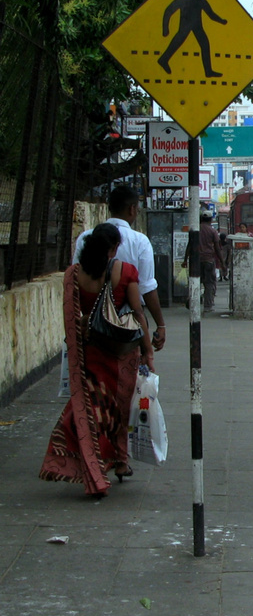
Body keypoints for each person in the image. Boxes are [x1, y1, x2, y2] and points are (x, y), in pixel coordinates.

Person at [40, 224, 155, 498]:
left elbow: (72, 319)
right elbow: (138, 314)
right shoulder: (125, 272)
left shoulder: (74, 275)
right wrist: (148, 352)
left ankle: (95, 463)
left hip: (91, 352)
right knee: (120, 409)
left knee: (92, 409)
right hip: (121, 354)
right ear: (114, 248)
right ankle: (121, 463)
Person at [74, 184, 167, 351]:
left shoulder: (85, 238)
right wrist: (160, 325)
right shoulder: (139, 242)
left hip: (91, 325)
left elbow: (75, 279)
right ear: (132, 209)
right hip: (126, 325)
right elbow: (146, 289)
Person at [182, 211, 226, 312]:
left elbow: (190, 245)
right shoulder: (212, 231)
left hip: (195, 261)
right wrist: (222, 263)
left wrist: (185, 260)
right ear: (211, 219)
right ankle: (208, 306)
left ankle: (192, 300)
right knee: (209, 283)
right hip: (208, 260)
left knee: (195, 281)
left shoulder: (195, 230)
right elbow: (217, 248)